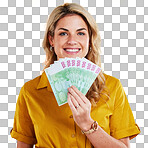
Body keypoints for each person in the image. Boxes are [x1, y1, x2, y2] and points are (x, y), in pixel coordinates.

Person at [10, 3, 140, 148]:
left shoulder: (112, 87)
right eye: (63, 33)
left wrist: (87, 124)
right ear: (51, 39)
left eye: (80, 33)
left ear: (89, 40)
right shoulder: (30, 91)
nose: (72, 41)